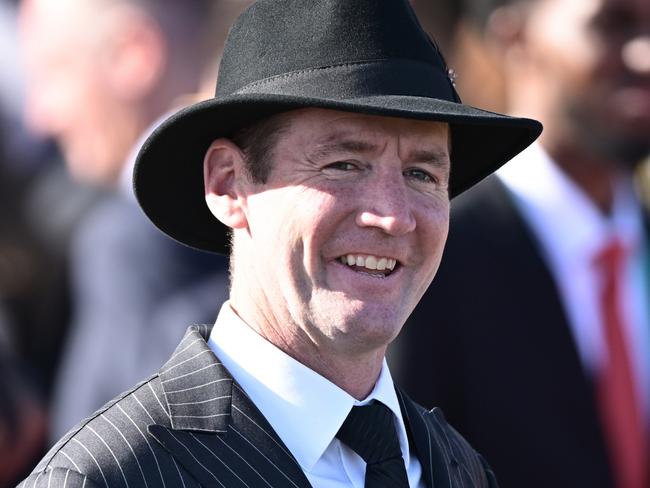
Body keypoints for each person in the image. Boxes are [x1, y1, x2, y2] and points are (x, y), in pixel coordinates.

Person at [20, 0, 541, 486]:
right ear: (228, 184)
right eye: (344, 165)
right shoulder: (108, 476)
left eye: (422, 173)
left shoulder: (453, 465)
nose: (392, 215)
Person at [393, 0, 650, 487]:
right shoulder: (431, 254)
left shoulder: (637, 241)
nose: (646, 56)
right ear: (513, 36)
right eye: (613, 24)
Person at [18, 0, 242, 441]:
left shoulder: (131, 242)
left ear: (133, 54)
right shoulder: (273, 215)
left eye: (54, 72)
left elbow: (125, 456)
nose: (39, 118)